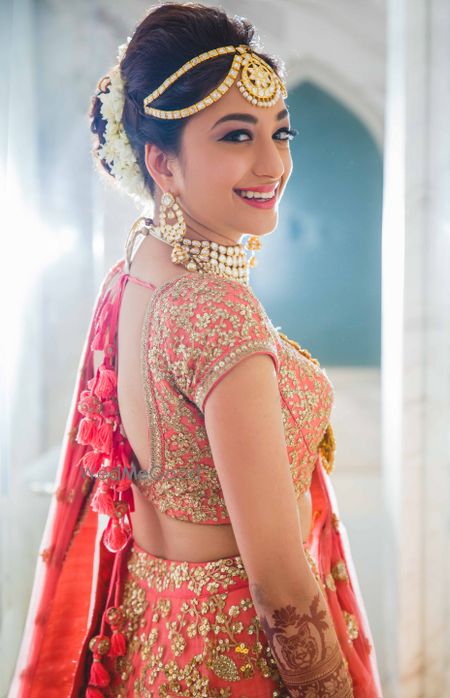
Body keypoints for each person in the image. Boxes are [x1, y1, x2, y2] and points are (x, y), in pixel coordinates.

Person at [8, 3, 382, 696]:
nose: (272, 163)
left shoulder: (135, 273)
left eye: (281, 132)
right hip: (236, 659)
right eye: (236, 136)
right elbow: (279, 584)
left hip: (153, 639)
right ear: (162, 161)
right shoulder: (217, 317)